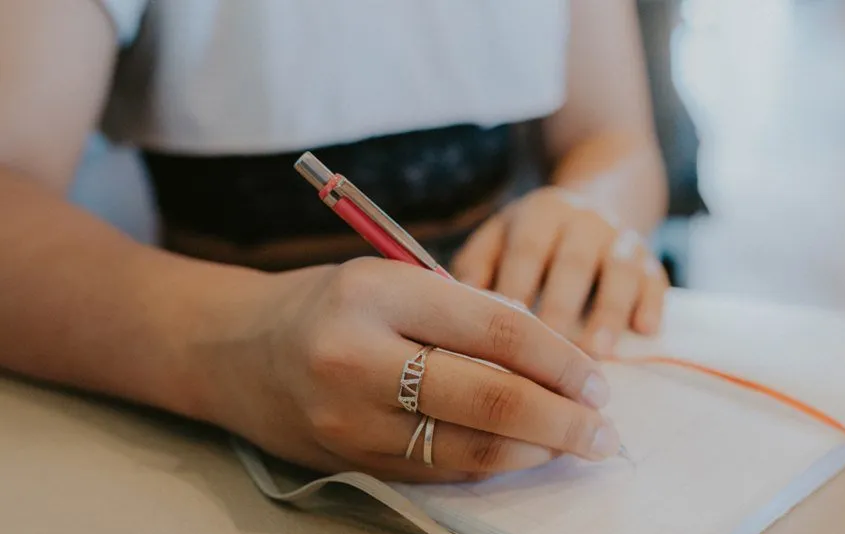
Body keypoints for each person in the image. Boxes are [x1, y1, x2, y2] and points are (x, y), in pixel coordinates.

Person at [0, 0, 670, 482]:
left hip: (507, 432)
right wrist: (236, 343)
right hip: (214, 458)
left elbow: (614, 139)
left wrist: (592, 206)